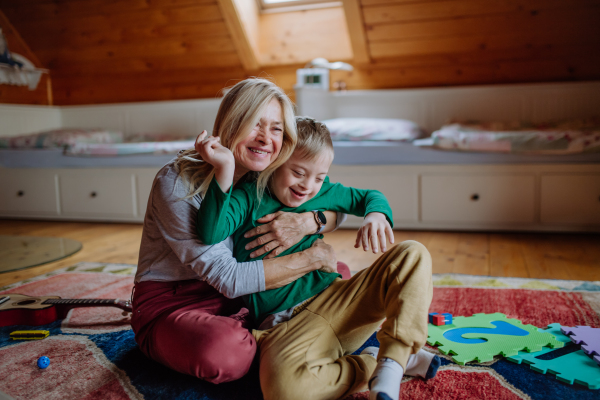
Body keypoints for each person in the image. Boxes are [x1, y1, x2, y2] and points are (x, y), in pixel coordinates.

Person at [195, 117, 440, 400]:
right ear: (276, 161)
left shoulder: (322, 192)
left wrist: (376, 215)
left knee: (413, 253)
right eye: (298, 172)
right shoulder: (249, 196)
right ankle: (374, 362)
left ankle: (392, 363)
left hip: (338, 301)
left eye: (319, 177)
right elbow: (209, 231)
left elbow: (369, 196)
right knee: (285, 391)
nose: (308, 186)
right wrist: (223, 169)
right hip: (284, 326)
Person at [130, 79, 344, 384]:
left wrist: (313, 221)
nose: (265, 139)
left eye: (276, 128)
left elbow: (336, 204)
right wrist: (314, 258)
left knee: (339, 274)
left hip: (245, 298)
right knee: (226, 352)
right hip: (174, 303)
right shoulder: (176, 182)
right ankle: (284, 344)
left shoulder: (268, 171)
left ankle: (277, 338)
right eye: (254, 124)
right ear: (231, 123)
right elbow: (228, 278)